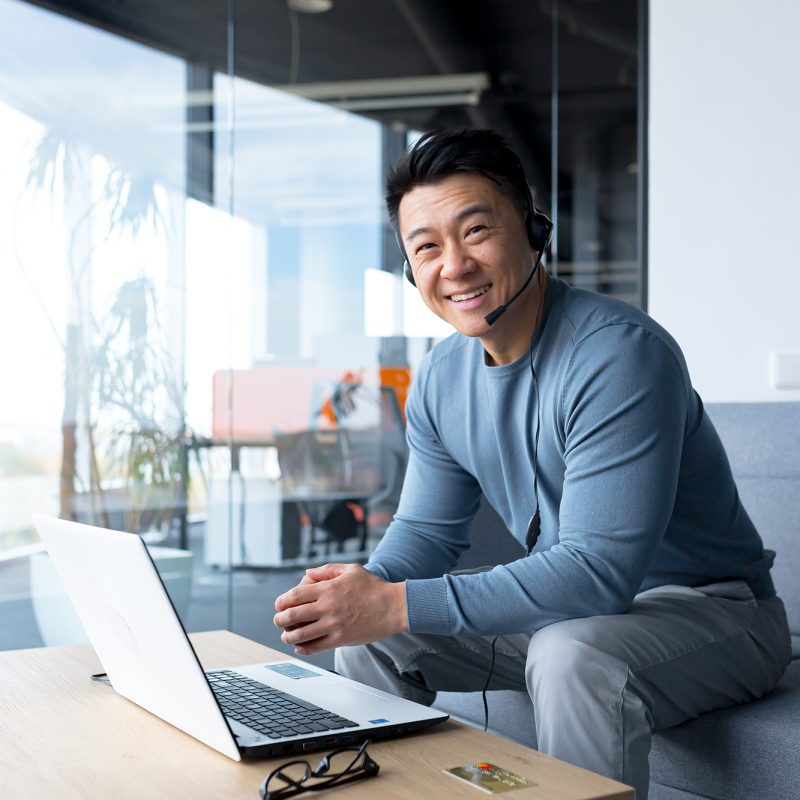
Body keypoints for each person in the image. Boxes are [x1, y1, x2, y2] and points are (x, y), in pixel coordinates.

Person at [273, 128, 791, 799]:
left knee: (572, 653)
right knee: (373, 640)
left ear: (533, 228)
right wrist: (354, 594)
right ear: (409, 270)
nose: (453, 265)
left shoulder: (620, 353)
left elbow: (598, 574)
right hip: (571, 617)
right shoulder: (439, 378)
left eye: (476, 230)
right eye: (425, 247)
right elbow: (428, 535)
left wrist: (394, 601)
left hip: (719, 615)